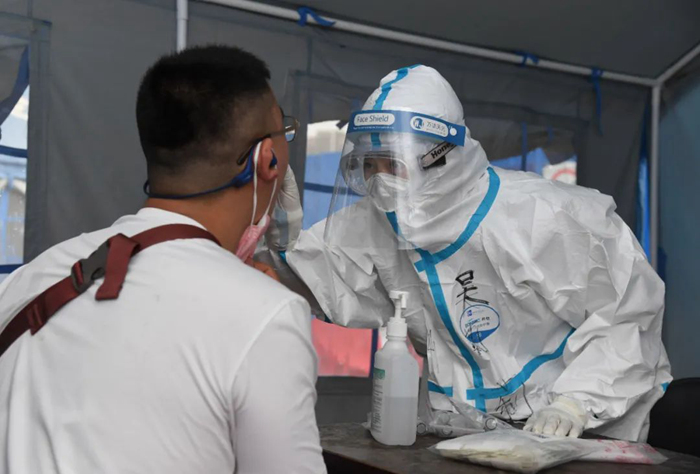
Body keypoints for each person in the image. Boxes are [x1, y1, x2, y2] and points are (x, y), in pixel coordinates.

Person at [264, 65, 671, 442]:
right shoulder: (379, 221)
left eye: (392, 164)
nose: (379, 182)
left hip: (585, 431)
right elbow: (326, 284)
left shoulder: (545, 216)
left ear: (439, 157)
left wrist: (575, 403)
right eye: (369, 166)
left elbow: (627, 314)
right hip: (468, 433)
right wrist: (282, 235)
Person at [0, 46, 326, 473]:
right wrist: (260, 306)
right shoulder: (268, 317)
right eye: (285, 129)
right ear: (267, 160)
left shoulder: (29, 279)